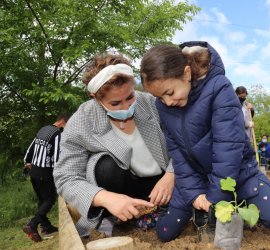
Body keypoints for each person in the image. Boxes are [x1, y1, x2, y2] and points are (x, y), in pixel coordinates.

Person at [140, 41, 270, 242]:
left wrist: (215, 197)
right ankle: (200, 211)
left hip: (237, 175)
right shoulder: (164, 107)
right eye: (160, 97)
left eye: (169, 93)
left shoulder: (219, 87)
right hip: (197, 179)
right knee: (165, 232)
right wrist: (195, 195)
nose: (167, 102)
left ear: (186, 73)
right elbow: (177, 155)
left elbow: (228, 149)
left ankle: (243, 201)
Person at [53, 52, 174, 237]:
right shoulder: (81, 122)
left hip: (161, 185)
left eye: (130, 97)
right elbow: (66, 177)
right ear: (95, 97)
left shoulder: (151, 103)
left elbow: (184, 143)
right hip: (120, 191)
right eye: (116, 103)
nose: (126, 107)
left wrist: (172, 174)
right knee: (105, 166)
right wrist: (106, 198)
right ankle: (111, 217)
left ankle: (159, 210)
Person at [23, 114, 69, 242]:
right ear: (62, 122)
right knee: (49, 199)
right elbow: (57, 159)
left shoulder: (43, 129)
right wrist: (60, 175)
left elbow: (30, 150)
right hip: (45, 172)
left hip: (34, 171)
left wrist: (27, 162)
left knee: (42, 200)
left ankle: (46, 227)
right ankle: (32, 224)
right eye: (67, 125)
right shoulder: (57, 134)